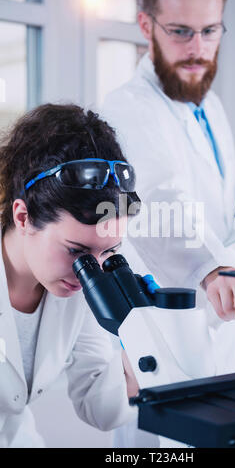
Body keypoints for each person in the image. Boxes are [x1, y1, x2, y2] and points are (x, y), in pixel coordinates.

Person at [101, 0, 235, 447]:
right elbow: (155, 199)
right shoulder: (127, 107)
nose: (198, 48)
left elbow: (230, 213)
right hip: (171, 340)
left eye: (210, 31)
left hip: (223, 335)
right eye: (181, 32)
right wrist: (210, 268)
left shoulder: (208, 108)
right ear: (146, 26)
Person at [0, 103, 141, 448]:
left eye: (108, 252)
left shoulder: (75, 288)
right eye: (76, 251)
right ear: (23, 217)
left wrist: (139, 339)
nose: (87, 272)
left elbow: (103, 410)